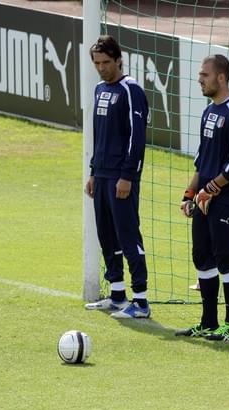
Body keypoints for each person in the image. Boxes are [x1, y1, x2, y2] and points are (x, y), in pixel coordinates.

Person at [175, 54, 229, 341]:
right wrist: (189, 194)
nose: (200, 79)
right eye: (200, 75)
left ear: (221, 77)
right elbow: (202, 163)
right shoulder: (209, 111)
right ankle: (208, 322)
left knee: (226, 258)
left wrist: (209, 190)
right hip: (205, 199)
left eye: (205, 75)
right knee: (202, 256)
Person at [83, 35, 151, 319]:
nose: (101, 68)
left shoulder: (131, 90)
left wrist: (127, 176)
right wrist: (93, 171)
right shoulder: (100, 89)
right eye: (97, 63)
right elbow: (99, 134)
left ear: (118, 60)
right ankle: (117, 294)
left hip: (121, 178)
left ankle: (141, 301)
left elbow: (137, 137)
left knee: (128, 236)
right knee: (107, 236)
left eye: (106, 62)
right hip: (102, 175)